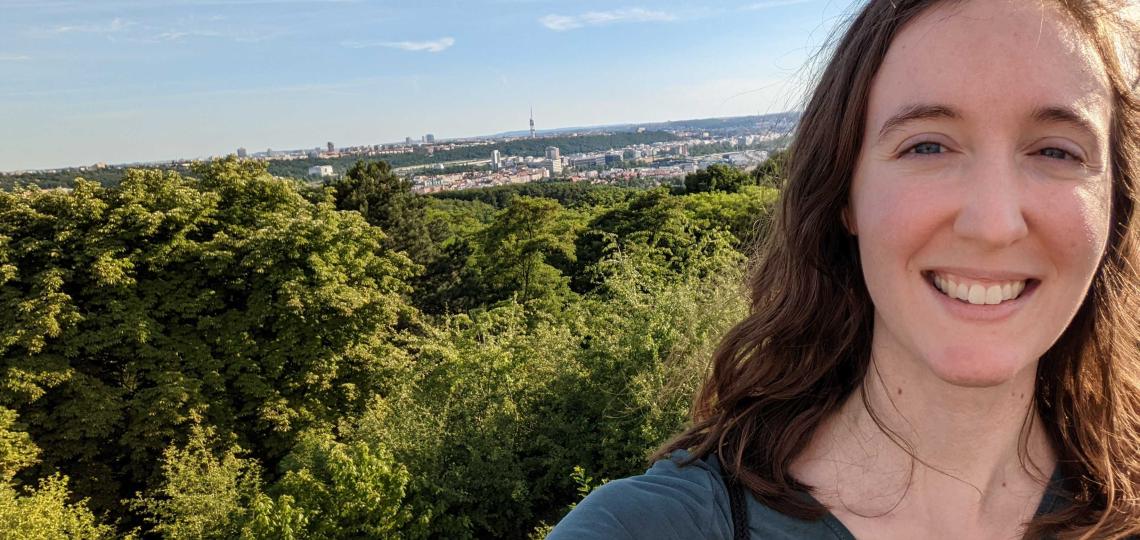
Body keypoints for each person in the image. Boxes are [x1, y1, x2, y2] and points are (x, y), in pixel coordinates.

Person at [548, 0, 1140, 538]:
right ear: (845, 194)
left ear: (1116, 202)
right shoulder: (648, 528)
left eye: (1057, 151)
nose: (993, 223)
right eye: (927, 146)